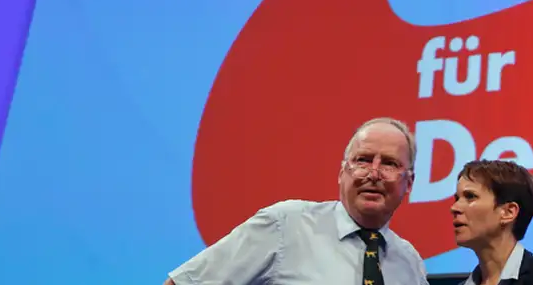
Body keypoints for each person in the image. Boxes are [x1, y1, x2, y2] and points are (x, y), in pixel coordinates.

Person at [165, 117, 428, 285]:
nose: (374, 173)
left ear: (409, 183)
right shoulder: (286, 225)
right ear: (342, 173)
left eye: (390, 164)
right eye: (363, 160)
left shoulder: (410, 263)